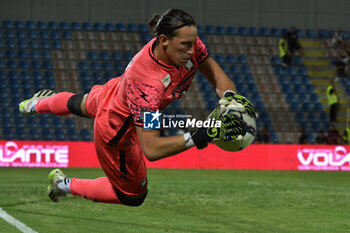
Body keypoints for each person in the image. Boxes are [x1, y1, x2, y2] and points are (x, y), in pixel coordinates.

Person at [19, 9, 256, 206]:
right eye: (186, 46)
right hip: (118, 127)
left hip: (116, 91)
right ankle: (63, 184)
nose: (192, 51)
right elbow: (151, 149)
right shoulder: (148, 86)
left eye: (193, 43)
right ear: (164, 40)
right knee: (133, 196)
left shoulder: (184, 41)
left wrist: (229, 98)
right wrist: (202, 133)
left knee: (78, 103)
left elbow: (216, 75)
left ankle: (37, 104)